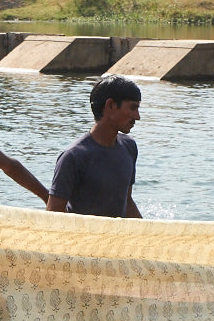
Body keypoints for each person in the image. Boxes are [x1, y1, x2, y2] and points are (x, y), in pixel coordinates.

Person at [45, 75, 142, 218]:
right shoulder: (73, 157)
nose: (137, 116)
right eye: (133, 108)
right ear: (110, 105)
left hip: (116, 239)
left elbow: (127, 202)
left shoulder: (129, 147)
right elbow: (53, 217)